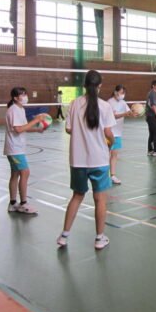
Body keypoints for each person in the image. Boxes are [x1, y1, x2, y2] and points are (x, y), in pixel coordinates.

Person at [57, 70, 116, 250]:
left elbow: (68, 129)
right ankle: (99, 238)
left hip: (78, 160)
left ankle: (64, 236)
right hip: (99, 160)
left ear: (84, 85)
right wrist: (111, 142)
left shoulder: (74, 104)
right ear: (100, 86)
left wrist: (82, 133)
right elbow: (108, 133)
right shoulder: (105, 106)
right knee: (100, 199)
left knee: (77, 196)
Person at [3, 87, 47, 214]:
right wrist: (36, 120)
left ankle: (12, 203)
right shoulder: (13, 110)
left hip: (16, 148)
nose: (25, 97)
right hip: (14, 149)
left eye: (25, 94)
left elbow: (23, 127)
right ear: (15, 98)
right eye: (22, 95)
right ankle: (23, 204)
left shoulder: (20, 109)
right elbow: (18, 129)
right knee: (25, 172)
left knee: (15, 175)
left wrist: (36, 129)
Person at [107, 85, 136, 185]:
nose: (122, 95)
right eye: (121, 92)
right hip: (108, 133)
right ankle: (104, 175)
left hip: (118, 133)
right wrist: (124, 114)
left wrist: (134, 114)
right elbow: (112, 116)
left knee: (114, 155)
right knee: (106, 155)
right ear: (115, 92)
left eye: (124, 93)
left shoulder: (123, 103)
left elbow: (128, 112)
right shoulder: (109, 102)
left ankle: (112, 175)